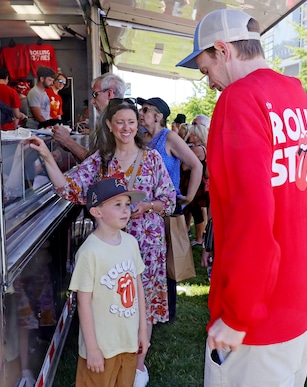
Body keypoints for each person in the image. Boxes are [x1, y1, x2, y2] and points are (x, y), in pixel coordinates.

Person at [176, 9, 307, 386]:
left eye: (206, 69)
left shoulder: (239, 99)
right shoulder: (301, 100)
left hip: (257, 321)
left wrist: (237, 315)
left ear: (223, 50)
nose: (210, 83)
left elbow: (248, 215)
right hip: (302, 301)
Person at [28, 99, 176, 387]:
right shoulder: (101, 160)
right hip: (110, 243)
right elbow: (69, 189)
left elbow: (169, 201)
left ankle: (137, 365)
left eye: (131, 122)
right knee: (113, 301)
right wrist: (47, 157)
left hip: (146, 241)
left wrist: (147, 207)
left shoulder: (152, 158)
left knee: (140, 297)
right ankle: (108, 351)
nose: (126, 127)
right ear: (109, 125)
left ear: (138, 124)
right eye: (120, 122)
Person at [69, 177, 148, 386]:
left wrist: (142, 331)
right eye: (117, 205)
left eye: (127, 204)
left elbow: (138, 288)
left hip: (128, 343)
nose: (126, 210)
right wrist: (92, 348)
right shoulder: (89, 252)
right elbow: (83, 303)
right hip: (102, 348)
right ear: (97, 212)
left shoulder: (131, 243)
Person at [138, 96, 203, 322]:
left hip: (166, 205)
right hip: (144, 209)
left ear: (158, 116)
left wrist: (190, 197)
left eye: (145, 109)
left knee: (168, 260)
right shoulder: (141, 138)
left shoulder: (170, 137)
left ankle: (167, 310)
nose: (140, 112)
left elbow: (196, 165)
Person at [52, 72, 127, 163]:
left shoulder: (118, 123)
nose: (92, 101)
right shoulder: (110, 119)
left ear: (109, 94)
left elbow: (98, 165)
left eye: (95, 95)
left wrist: (68, 141)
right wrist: (69, 145)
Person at [180, 123, 210, 247]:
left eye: (192, 133)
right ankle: (199, 237)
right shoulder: (203, 148)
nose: (190, 135)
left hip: (194, 184)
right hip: (199, 183)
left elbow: (185, 167)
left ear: (197, 136)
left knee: (196, 212)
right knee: (196, 211)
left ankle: (199, 239)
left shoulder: (197, 149)